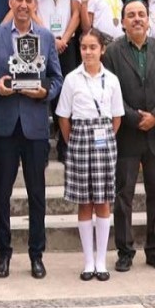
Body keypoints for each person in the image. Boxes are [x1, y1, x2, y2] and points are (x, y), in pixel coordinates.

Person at [0, 0, 63, 279]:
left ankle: (36, 255)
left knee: (37, 194)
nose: (24, 4)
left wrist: (45, 92)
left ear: (35, 4)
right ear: (11, 2)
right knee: (1, 193)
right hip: (4, 125)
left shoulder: (46, 37)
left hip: (35, 125)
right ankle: (3, 254)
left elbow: (57, 78)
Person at [103, 0, 155, 272]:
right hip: (127, 134)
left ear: (149, 20)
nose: (137, 19)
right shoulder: (112, 52)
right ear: (123, 22)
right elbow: (110, 93)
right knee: (123, 196)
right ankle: (125, 251)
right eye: (131, 15)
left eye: (141, 14)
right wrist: (135, 118)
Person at [56, 32, 124, 280]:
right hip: (80, 138)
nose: (88, 52)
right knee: (84, 202)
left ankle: (101, 261)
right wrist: (74, 141)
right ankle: (88, 262)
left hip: (104, 139)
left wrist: (105, 137)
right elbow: (64, 117)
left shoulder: (112, 80)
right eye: (84, 47)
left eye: (93, 47)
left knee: (103, 201)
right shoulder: (72, 79)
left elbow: (116, 117)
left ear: (102, 49)